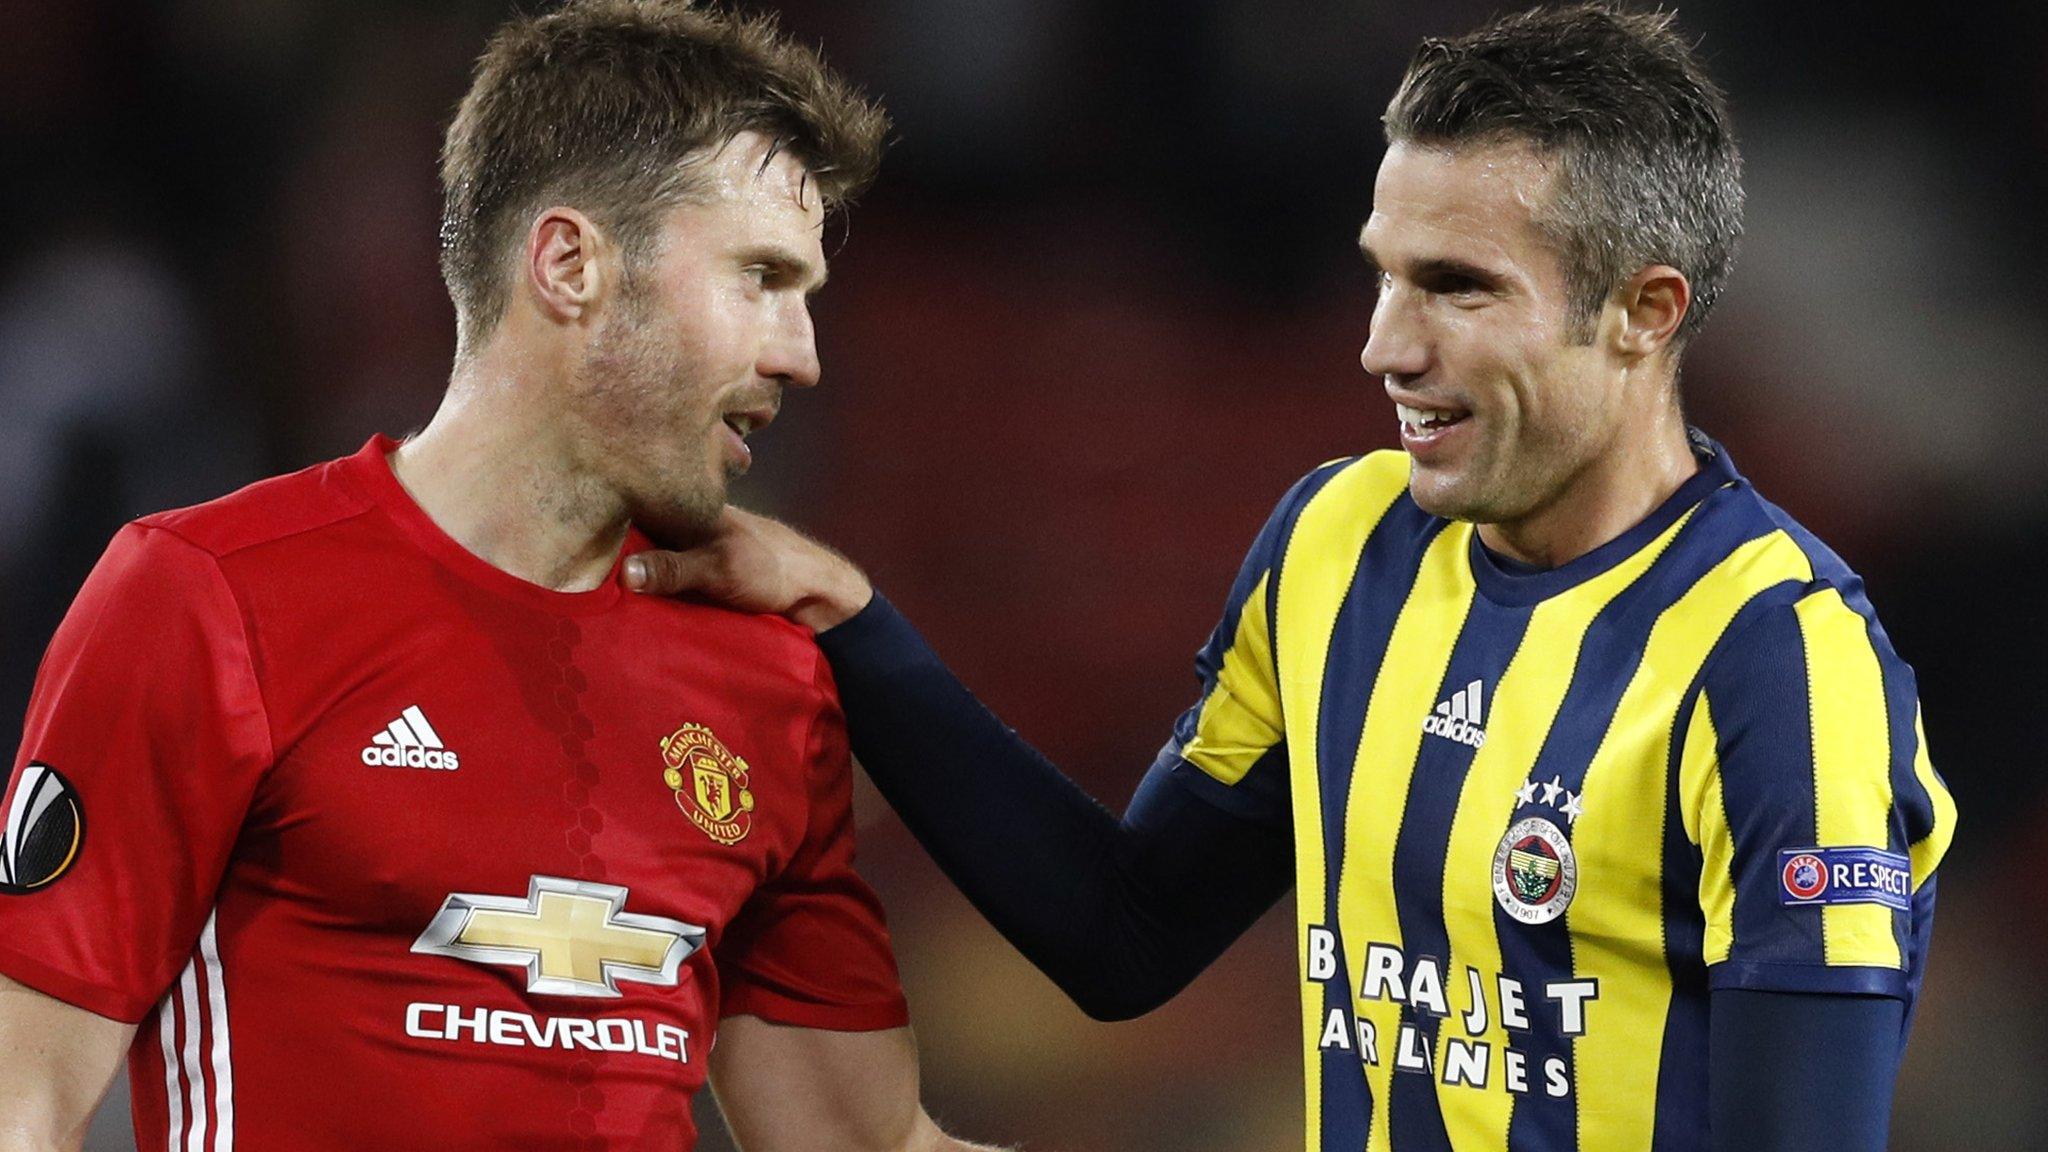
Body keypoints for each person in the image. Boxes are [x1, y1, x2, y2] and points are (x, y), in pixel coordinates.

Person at [622, 4, 1959, 1150]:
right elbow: (1122, 934)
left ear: (1643, 312)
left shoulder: (1777, 663)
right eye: (1385, 277)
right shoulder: (1343, 538)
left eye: (1459, 288)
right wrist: (849, 622)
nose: (1385, 346)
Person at [0, 3, 1009, 1150]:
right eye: (758, 279)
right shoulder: (210, 597)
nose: (800, 353)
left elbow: (870, 1146)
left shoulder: (768, 682)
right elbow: (19, 1100)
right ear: (570, 263)